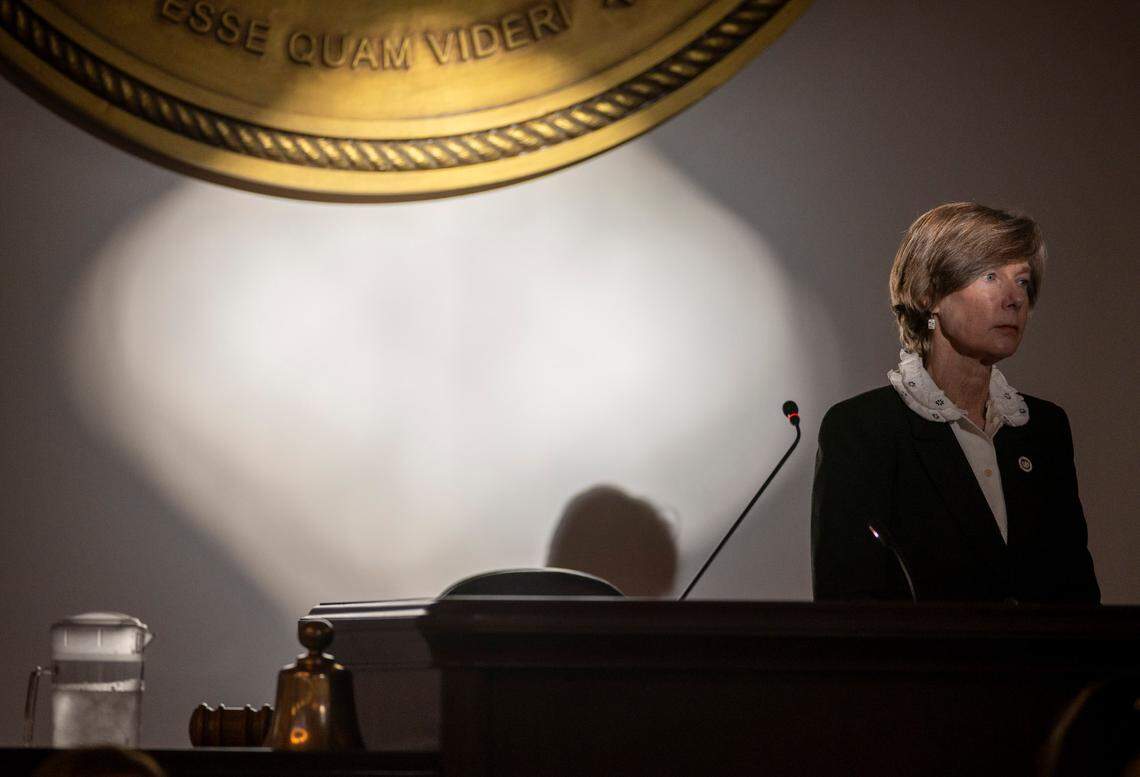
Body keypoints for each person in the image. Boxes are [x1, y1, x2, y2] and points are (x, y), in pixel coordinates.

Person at [811, 202, 1099, 602]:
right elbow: (851, 606)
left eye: (1023, 282)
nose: (1015, 299)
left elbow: (1077, 597)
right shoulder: (862, 430)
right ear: (930, 294)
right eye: (989, 276)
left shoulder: (1043, 429)